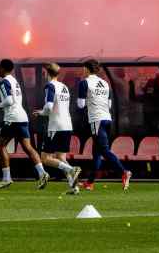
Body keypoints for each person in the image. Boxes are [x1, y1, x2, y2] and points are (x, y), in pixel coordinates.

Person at [0, 59, 48, 189]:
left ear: (2, 68)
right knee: (28, 148)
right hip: (22, 117)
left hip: (12, 118)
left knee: (0, 145)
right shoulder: (14, 81)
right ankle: (42, 173)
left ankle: (6, 178)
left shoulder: (4, 82)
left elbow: (9, 101)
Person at [77, 59, 131, 192]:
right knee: (97, 152)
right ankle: (89, 183)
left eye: (83, 68)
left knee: (104, 150)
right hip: (107, 119)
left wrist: (88, 101)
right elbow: (110, 104)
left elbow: (81, 105)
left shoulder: (84, 82)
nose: (82, 71)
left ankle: (124, 172)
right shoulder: (105, 83)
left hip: (96, 120)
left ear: (87, 69)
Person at [34, 63, 81, 191]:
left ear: (46, 73)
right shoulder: (64, 87)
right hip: (67, 125)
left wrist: (41, 112)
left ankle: (72, 169)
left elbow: (49, 107)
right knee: (61, 158)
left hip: (56, 126)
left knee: (45, 158)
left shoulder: (50, 86)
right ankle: (74, 188)